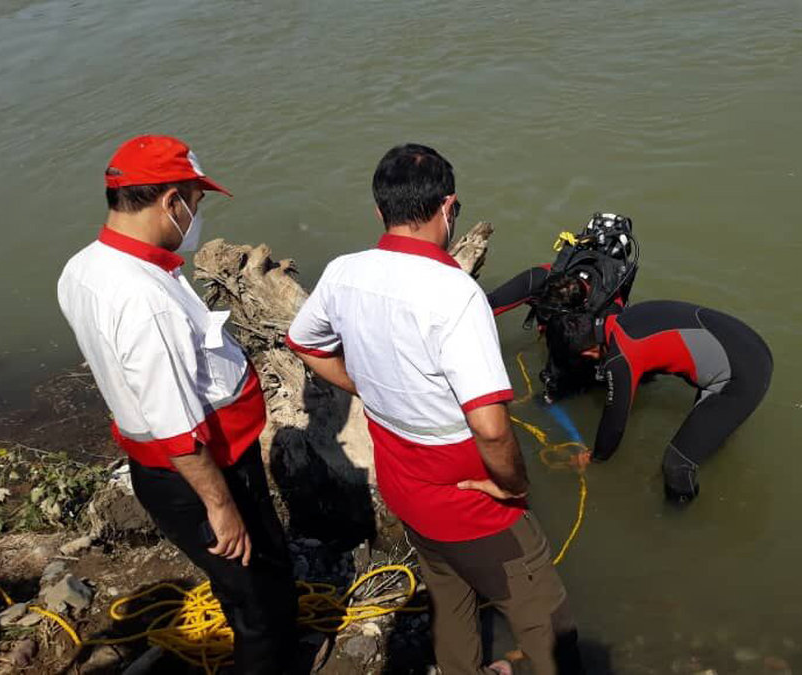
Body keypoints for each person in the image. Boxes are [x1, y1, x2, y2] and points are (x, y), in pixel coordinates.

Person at [286, 144, 581, 675]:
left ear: (381, 212)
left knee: (450, 601)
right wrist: (514, 486)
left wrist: (368, 386)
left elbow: (304, 343)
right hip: (472, 504)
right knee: (549, 622)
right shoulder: (455, 294)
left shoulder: (343, 273)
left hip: (406, 488)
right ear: (450, 207)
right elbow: (490, 429)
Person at [57, 136, 298, 674]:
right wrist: (221, 505)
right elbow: (173, 425)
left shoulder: (85, 268)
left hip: (175, 468)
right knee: (256, 597)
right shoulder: (142, 299)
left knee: (253, 579)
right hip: (206, 471)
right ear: (171, 202)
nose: (196, 215)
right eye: (196, 201)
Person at [541, 275, 773, 502]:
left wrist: (594, 458)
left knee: (676, 464)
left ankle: (681, 526)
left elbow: (614, 424)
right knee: (705, 435)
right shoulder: (626, 317)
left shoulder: (621, 359)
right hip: (750, 345)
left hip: (741, 377)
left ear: (587, 353)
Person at [488, 213, 639, 402]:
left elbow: (623, 365)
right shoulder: (543, 277)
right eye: (545, 311)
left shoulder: (608, 311)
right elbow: (486, 305)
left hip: (586, 354)